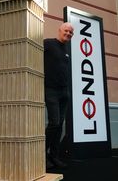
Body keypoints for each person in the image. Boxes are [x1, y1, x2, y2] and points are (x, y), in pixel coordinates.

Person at [44, 22, 74, 169]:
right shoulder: (48, 44)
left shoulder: (67, 49)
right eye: (66, 31)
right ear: (59, 30)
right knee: (54, 123)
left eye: (71, 32)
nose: (68, 33)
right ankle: (41, 155)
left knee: (60, 125)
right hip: (51, 90)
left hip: (64, 92)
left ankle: (54, 156)